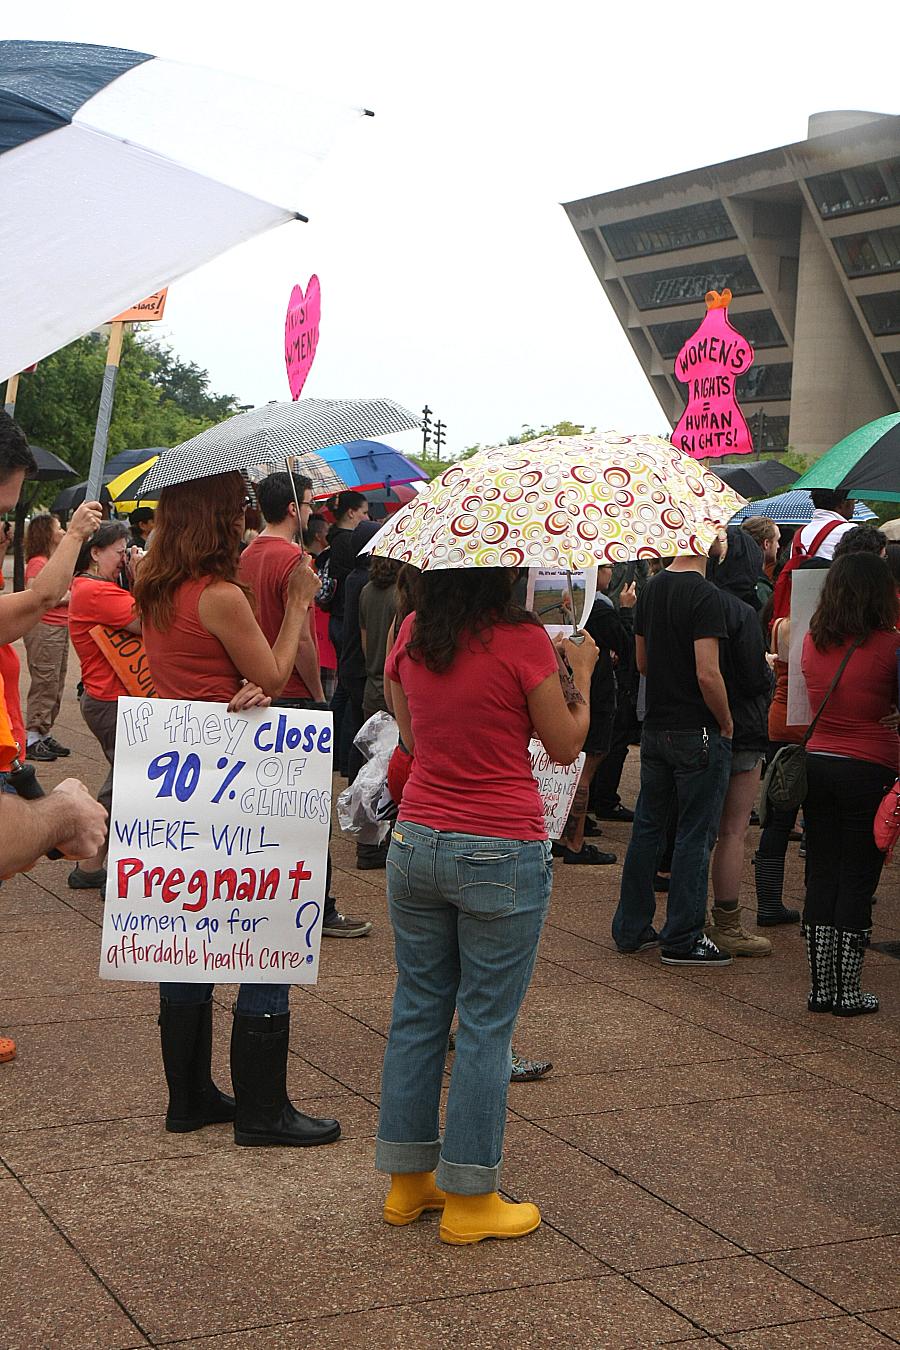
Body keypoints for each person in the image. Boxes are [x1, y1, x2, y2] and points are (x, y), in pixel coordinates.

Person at [377, 568, 597, 1244]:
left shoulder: (413, 633)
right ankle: (471, 1193)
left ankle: (408, 1182)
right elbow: (565, 744)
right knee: (484, 1025)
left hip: (417, 839)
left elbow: (409, 735)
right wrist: (579, 673)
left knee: (418, 1009)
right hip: (498, 846)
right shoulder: (521, 636)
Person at [135, 470, 341, 1146]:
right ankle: (262, 1109)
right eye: (236, 509)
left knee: (188, 932)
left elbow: (201, 673)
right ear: (216, 519)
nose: (244, 517)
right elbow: (277, 673)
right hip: (234, 777)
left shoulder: (154, 589)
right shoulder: (220, 596)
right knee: (261, 926)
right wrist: (303, 605)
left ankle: (187, 1096)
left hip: (178, 778)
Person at [238, 474, 371, 939]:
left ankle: (269, 894)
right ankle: (320, 905)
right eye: (311, 502)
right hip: (293, 687)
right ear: (294, 508)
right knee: (307, 809)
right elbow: (306, 639)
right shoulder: (295, 559)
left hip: (256, 686)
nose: (316, 510)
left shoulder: (247, 555)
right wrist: (317, 692)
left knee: (265, 804)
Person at [611, 544, 733, 966]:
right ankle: (683, 936)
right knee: (695, 835)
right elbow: (707, 670)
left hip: (657, 727)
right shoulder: (706, 595)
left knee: (648, 827)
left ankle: (631, 926)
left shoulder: (651, 588)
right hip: (696, 727)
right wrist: (726, 719)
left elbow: (642, 661)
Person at [800, 553, 899, 1017]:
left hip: (817, 762)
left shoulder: (811, 643)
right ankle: (848, 991)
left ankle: (821, 987)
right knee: (859, 877)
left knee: (822, 870)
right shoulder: (890, 646)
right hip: (872, 769)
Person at [704, 528, 773, 957]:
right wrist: (768, 671)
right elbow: (751, 678)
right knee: (732, 831)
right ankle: (727, 920)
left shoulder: (698, 599)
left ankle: (687, 918)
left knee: (696, 829)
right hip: (742, 726)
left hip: (693, 725)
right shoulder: (744, 610)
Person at [753, 558, 829, 926]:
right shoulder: (829, 628)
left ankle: (768, 902)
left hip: (780, 724)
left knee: (777, 818)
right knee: (818, 820)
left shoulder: (781, 625)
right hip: (815, 728)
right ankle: (818, 903)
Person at [66, 520, 139, 890]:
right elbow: (150, 621)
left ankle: (92, 864)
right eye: (120, 553)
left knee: (125, 779)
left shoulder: (90, 586)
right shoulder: (97, 591)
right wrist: (142, 578)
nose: (124, 560)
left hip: (106, 697)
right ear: (95, 552)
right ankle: (92, 861)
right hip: (111, 699)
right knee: (127, 783)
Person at [555, 564, 633, 864]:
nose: (611, 574)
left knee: (573, 769)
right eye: (608, 568)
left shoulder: (571, 605)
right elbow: (625, 645)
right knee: (584, 771)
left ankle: (563, 835)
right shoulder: (600, 609)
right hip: (595, 695)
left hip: (569, 690)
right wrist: (626, 611)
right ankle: (574, 842)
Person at [22, 514, 71, 762]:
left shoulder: (52, 561)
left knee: (56, 679)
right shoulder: (39, 562)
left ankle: (43, 732)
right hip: (45, 628)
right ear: (46, 533)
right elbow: (35, 591)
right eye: (58, 527)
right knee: (45, 679)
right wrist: (65, 595)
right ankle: (32, 736)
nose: (62, 531)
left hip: (59, 627)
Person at [325, 492, 369, 766]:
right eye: (363, 512)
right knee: (348, 690)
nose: (366, 517)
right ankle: (340, 753)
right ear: (351, 512)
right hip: (345, 623)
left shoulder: (334, 542)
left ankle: (335, 751)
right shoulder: (347, 545)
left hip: (339, 621)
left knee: (344, 687)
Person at [794, 490, 857, 560]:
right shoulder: (852, 531)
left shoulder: (799, 534)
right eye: (853, 500)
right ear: (842, 504)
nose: (854, 505)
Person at [740, 515, 780, 610]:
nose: (778, 546)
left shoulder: (738, 576)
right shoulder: (760, 587)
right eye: (777, 541)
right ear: (766, 544)